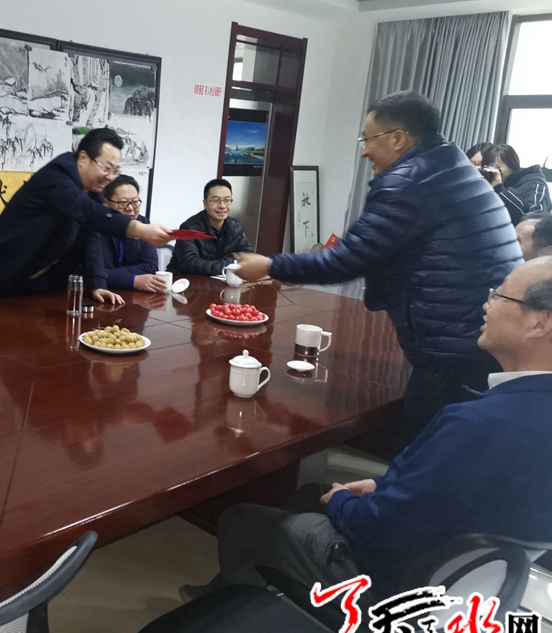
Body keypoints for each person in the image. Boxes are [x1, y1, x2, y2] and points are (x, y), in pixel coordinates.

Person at [183, 257, 552, 602]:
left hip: (394, 579)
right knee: (310, 495)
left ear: (540, 323)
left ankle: (238, 618)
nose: (486, 303)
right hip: (466, 578)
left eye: (499, 294)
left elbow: (383, 528)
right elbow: (451, 489)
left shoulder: (479, 424)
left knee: (241, 520)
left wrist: (343, 501)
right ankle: (271, 591)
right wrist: (383, 487)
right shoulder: (519, 415)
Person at [236, 91, 520, 440]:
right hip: (483, 335)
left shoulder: (411, 180)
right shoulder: (452, 166)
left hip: (453, 345)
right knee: (457, 442)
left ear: (398, 138)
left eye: (368, 139)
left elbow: (347, 259)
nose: (364, 151)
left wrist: (270, 265)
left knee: (430, 443)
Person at [0, 128, 172, 300]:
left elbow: (91, 236)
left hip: (39, 285)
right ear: (83, 158)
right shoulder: (57, 176)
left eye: (115, 170)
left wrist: (98, 285)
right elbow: (86, 210)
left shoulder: (92, 189)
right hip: (2, 277)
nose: (110, 177)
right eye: (106, 168)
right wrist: (138, 229)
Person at [84, 175, 163, 297]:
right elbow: (91, 273)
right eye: (123, 203)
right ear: (106, 203)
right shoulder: (94, 226)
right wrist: (132, 280)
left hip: (133, 297)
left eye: (135, 202)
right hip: (99, 295)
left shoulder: (143, 224)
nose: (130, 208)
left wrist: (109, 274)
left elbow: (150, 266)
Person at [167, 179, 254, 276]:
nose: (222, 206)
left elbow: (249, 256)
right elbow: (191, 264)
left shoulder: (235, 226)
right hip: (186, 282)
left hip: (222, 280)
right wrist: (232, 264)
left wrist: (228, 265)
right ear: (205, 203)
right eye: (216, 200)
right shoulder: (189, 227)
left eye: (227, 200)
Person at [484, 143, 552, 226]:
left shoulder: (535, 182)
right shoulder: (491, 182)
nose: (493, 170)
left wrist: (500, 189)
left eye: (496, 166)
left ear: (512, 165)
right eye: (488, 167)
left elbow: (535, 216)